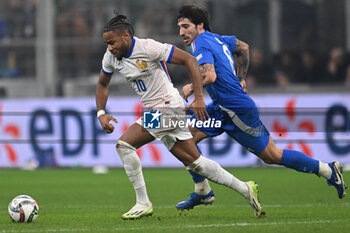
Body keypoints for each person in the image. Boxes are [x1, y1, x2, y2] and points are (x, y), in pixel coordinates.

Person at [175, 4, 347, 210]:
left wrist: (192, 86)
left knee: (271, 155)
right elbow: (243, 47)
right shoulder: (218, 38)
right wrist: (241, 78)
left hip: (236, 110)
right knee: (183, 138)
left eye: (186, 26)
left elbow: (209, 76)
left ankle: (327, 170)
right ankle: (202, 191)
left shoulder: (201, 43)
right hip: (222, 108)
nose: (181, 32)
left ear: (200, 25)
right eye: (180, 27)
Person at [96, 13, 265, 220]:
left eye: (112, 43)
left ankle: (143, 202)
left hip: (168, 107)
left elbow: (190, 60)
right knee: (197, 163)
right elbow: (102, 84)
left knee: (124, 145)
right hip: (156, 109)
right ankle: (245, 189)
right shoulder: (111, 56)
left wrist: (199, 97)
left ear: (125, 36)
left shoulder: (148, 48)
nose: (109, 48)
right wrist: (101, 112)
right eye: (107, 44)